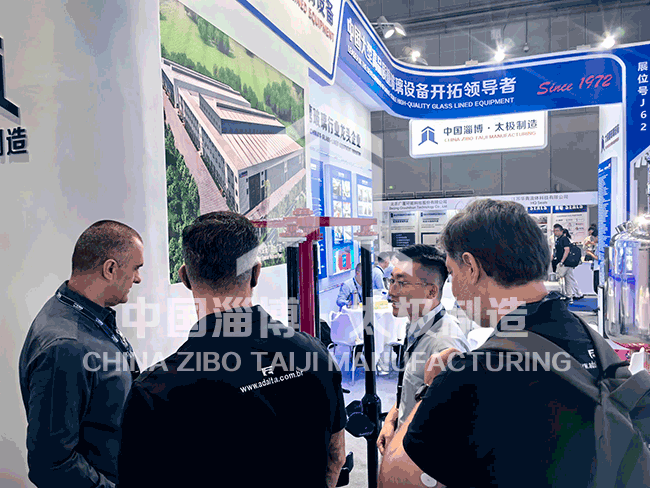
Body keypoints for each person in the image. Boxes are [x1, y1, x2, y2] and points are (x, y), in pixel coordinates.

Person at [379, 199, 602, 488]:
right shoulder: (590, 340)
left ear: (471, 267)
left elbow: (395, 478)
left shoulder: (473, 373)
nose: (453, 289)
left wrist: (430, 390)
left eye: (452, 273)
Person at [117, 212, 347, 488]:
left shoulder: (153, 392)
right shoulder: (316, 355)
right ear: (256, 273)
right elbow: (336, 458)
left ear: (185, 277)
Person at [19, 220, 143, 488]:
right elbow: (52, 465)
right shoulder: (64, 348)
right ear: (110, 269)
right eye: (136, 268)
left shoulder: (88, 314)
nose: (138, 278)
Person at [377, 244, 469, 454]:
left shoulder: (445, 344)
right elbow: (412, 390)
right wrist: (391, 419)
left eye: (401, 283)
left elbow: (452, 426)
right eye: (391, 281)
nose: (391, 292)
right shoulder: (415, 326)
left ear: (431, 291)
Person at [552, 223, 583, 303]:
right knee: (568, 280)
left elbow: (567, 250)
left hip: (564, 263)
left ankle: (561, 296)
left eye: (557, 231)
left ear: (561, 231)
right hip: (566, 263)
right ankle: (569, 297)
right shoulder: (559, 239)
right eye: (554, 231)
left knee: (557, 278)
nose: (555, 232)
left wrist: (562, 261)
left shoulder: (564, 239)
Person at [583, 224, 599, 294]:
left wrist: (590, 253)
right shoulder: (597, 245)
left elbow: (598, 258)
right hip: (596, 267)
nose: (593, 240)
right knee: (595, 286)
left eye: (593, 238)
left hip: (598, 268)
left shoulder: (599, 246)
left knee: (596, 286)